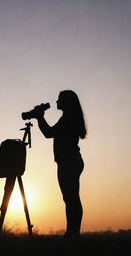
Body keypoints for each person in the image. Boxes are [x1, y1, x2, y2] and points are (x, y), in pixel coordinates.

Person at [34, 90, 87, 238]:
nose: (56, 102)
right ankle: (73, 231)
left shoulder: (68, 119)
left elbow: (49, 133)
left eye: (59, 100)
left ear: (66, 102)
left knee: (71, 198)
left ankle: (72, 232)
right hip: (71, 161)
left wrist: (39, 117)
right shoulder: (68, 117)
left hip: (68, 161)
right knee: (71, 198)